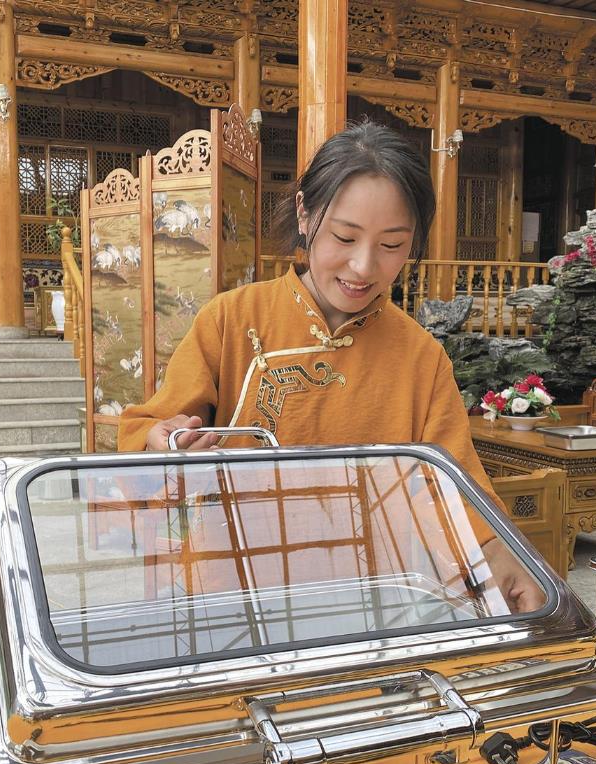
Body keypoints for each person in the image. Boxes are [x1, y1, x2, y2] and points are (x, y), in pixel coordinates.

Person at [118, 121, 545, 613]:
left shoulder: (420, 356)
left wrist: (495, 549)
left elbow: (453, 480)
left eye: (391, 246)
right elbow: (149, 430)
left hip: (368, 597)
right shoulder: (233, 319)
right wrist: (164, 441)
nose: (363, 267)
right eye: (344, 237)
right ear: (305, 213)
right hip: (233, 590)